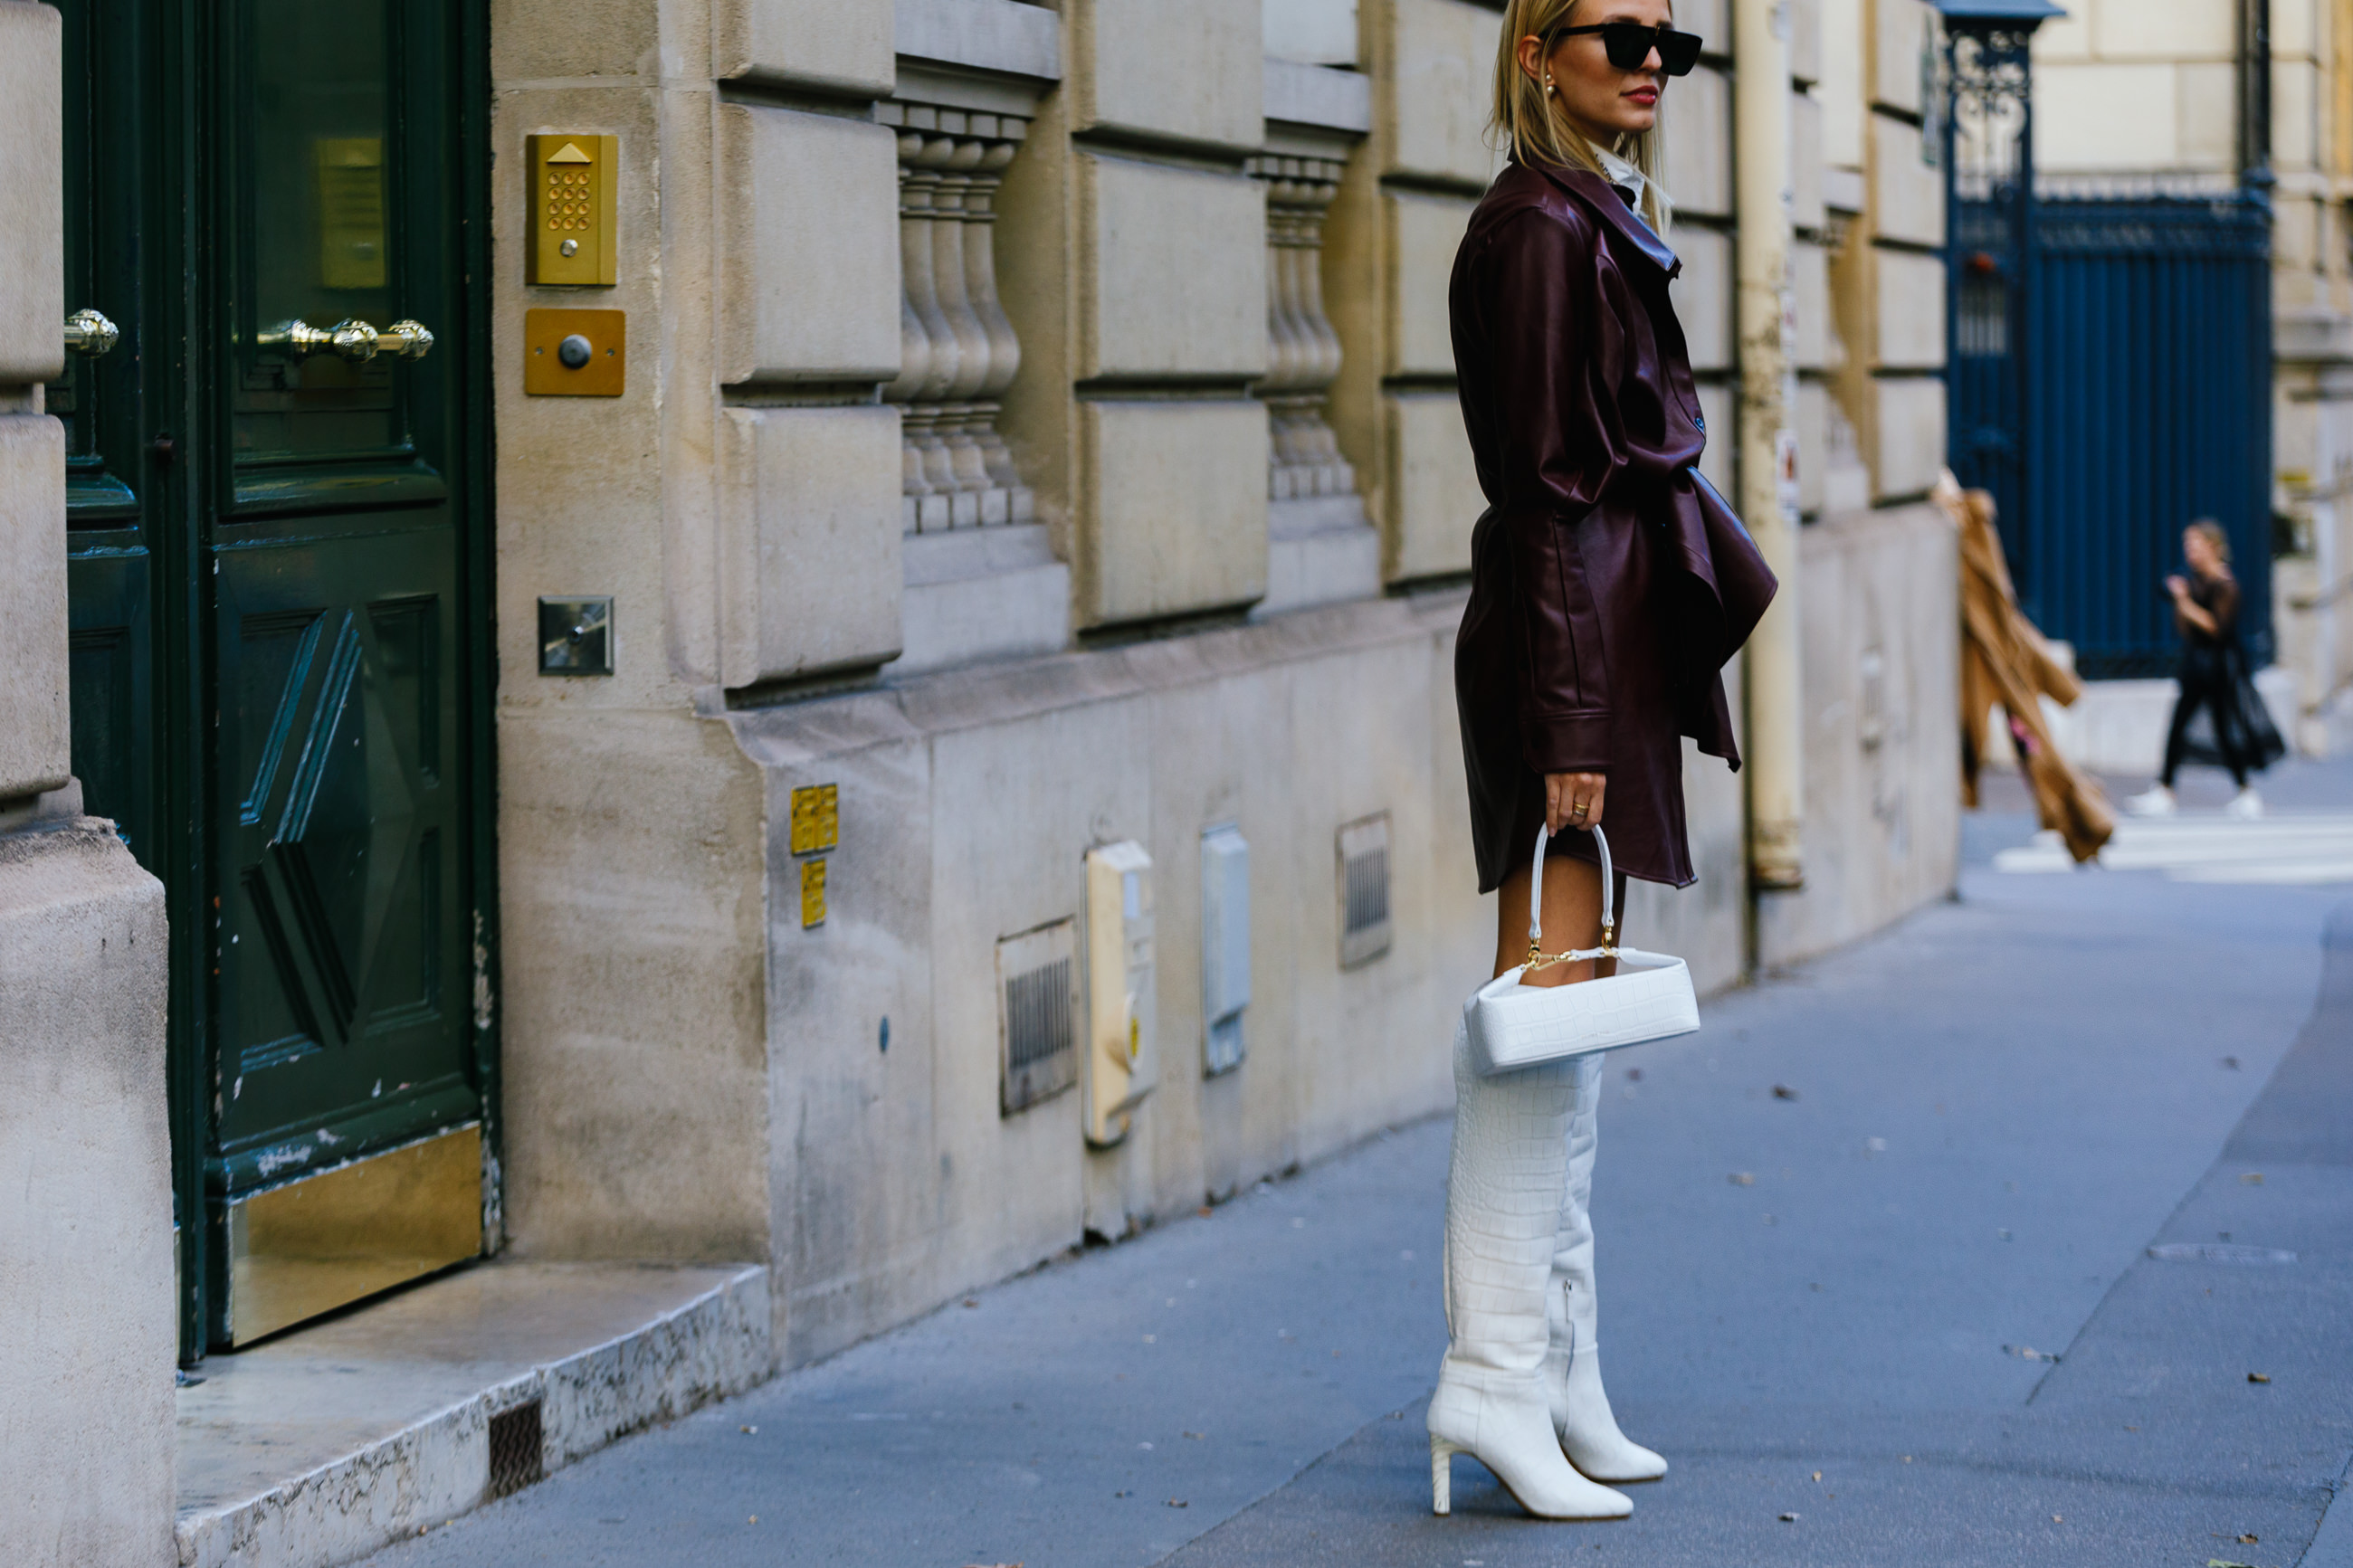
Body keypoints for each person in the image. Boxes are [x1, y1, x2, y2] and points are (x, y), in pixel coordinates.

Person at [1434, 0, 1776, 1523]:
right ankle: (1493, 1376)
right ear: (1535, 51)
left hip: (1598, 643)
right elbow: (1547, 494)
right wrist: (1574, 717)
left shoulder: (1598, 218)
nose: (1651, 56)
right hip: (1561, 647)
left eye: (1671, 39)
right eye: (1617, 30)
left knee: (1570, 1014)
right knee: (1542, 1002)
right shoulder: (1537, 234)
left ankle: (1557, 1365)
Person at [2125, 519, 2284, 820]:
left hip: (2221, 668)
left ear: (2212, 546)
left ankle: (2246, 792)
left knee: (2226, 730)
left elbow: (2217, 628)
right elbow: (2186, 629)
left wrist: (2184, 601)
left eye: (2194, 544)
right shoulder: (2193, 582)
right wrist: (2180, 602)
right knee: (2178, 726)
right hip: (2195, 665)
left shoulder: (2226, 585)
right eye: (2187, 545)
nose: (2189, 551)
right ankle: (2166, 790)